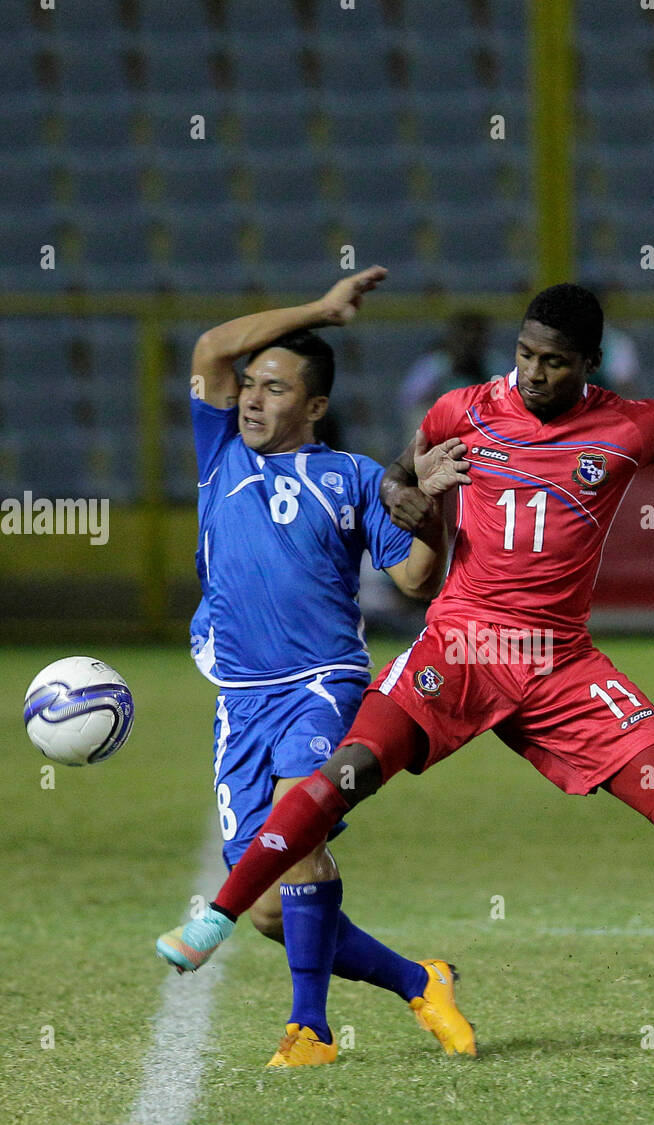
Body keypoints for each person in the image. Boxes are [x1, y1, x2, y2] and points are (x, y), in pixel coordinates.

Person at [160, 283, 654, 1061]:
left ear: (588, 364)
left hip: (556, 661)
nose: (532, 372)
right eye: (524, 354)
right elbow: (410, 479)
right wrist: (413, 495)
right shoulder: (464, 407)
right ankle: (218, 918)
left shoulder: (632, 426)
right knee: (347, 771)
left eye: (552, 361)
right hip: (465, 644)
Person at [156, 266, 475, 1066]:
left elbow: (412, 580)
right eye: (250, 385)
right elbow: (209, 348)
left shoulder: (354, 477)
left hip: (320, 685)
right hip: (241, 703)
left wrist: (427, 507)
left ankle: (310, 1030)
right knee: (271, 910)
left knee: (301, 819)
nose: (253, 398)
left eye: (274, 388)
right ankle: (417, 979)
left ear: (316, 407)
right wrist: (321, 312)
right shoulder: (219, 450)